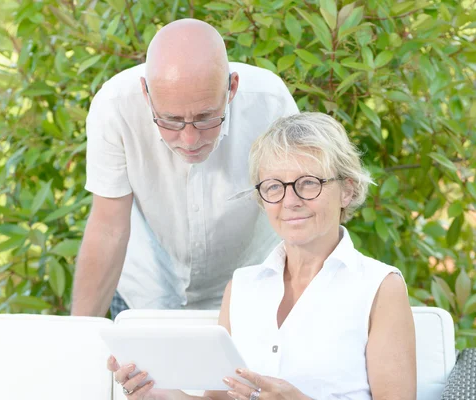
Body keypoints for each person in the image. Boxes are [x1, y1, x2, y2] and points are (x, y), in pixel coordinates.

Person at [108, 113, 417, 400]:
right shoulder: (242, 286)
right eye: (274, 186)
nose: (290, 200)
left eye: (308, 182)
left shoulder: (379, 286)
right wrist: (160, 394)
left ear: (347, 190)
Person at [71, 19, 298, 318]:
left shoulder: (271, 103)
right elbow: (108, 228)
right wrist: (80, 336)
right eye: (171, 120)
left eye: (206, 118)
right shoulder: (114, 106)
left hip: (249, 289)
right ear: (146, 94)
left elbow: (296, 213)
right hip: (143, 289)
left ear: (232, 89)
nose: (190, 140)